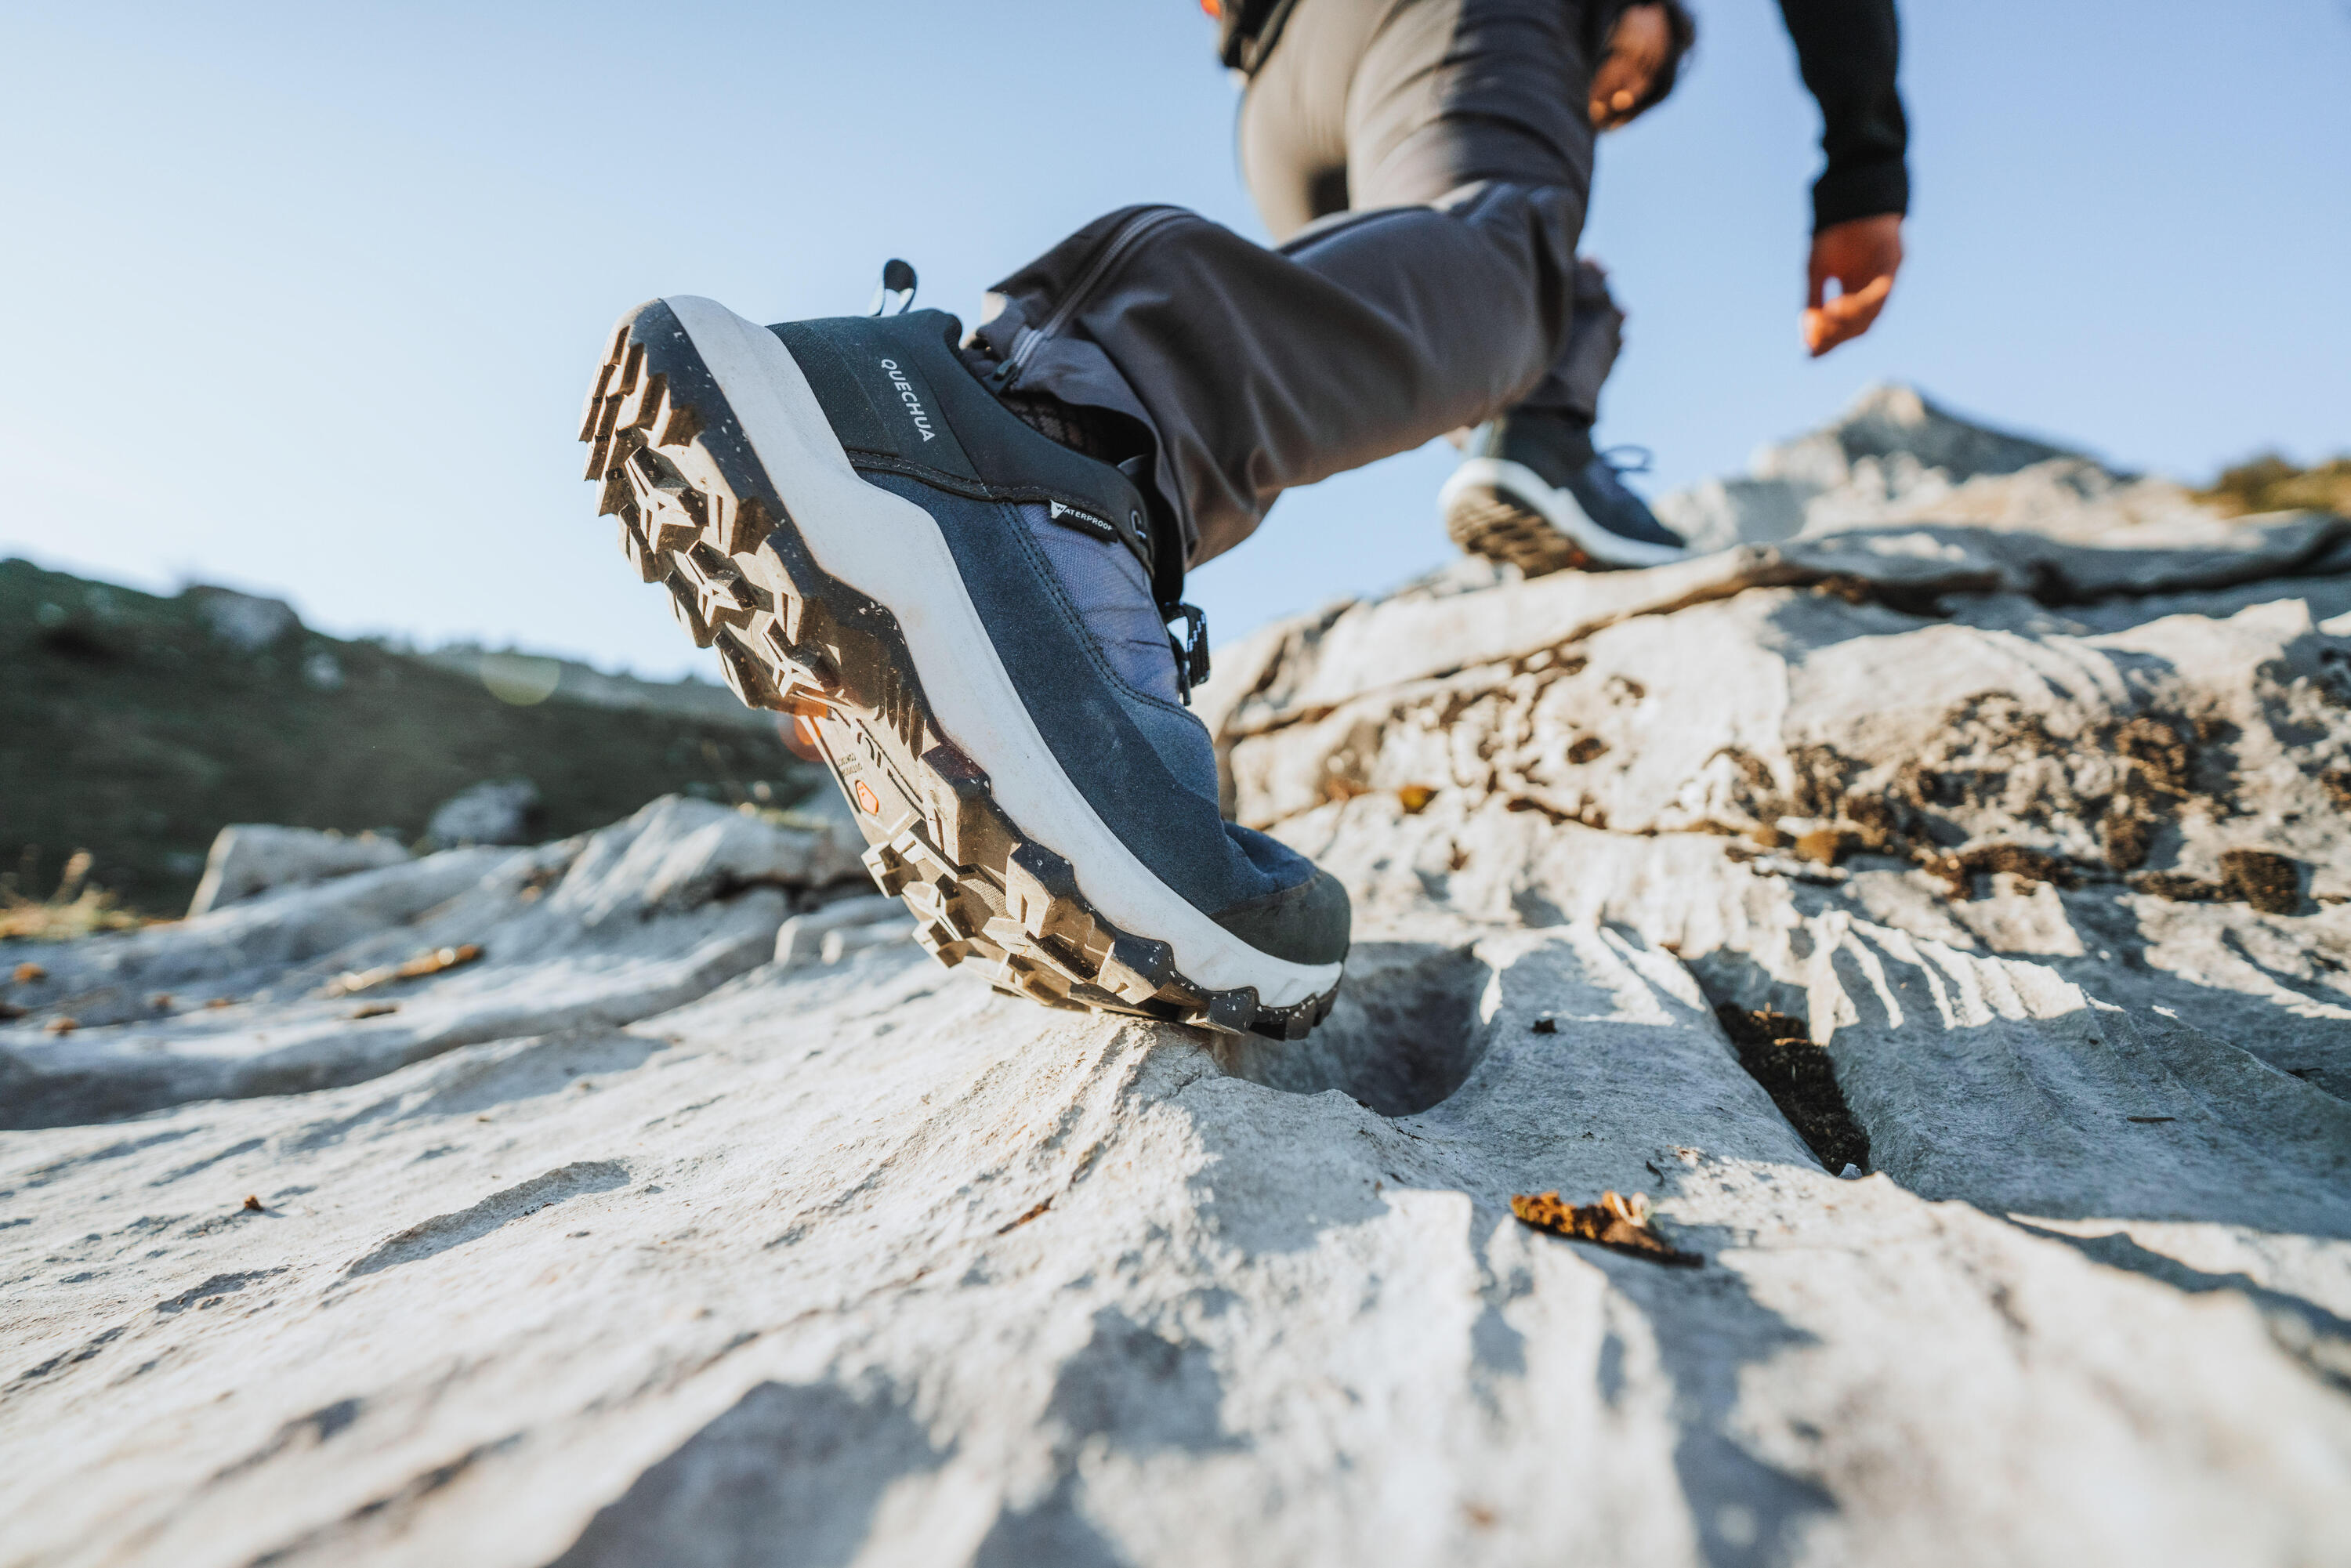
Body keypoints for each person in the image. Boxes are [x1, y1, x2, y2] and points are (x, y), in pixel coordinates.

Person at [575, 0, 1907, 1038]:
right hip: (1453, 27)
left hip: (1284, 85)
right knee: (1507, 265)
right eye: (1635, 75)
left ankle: (1519, 446)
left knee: (1446, 310)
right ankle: (1033, 433)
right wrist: (1863, 165)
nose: (1612, 103)